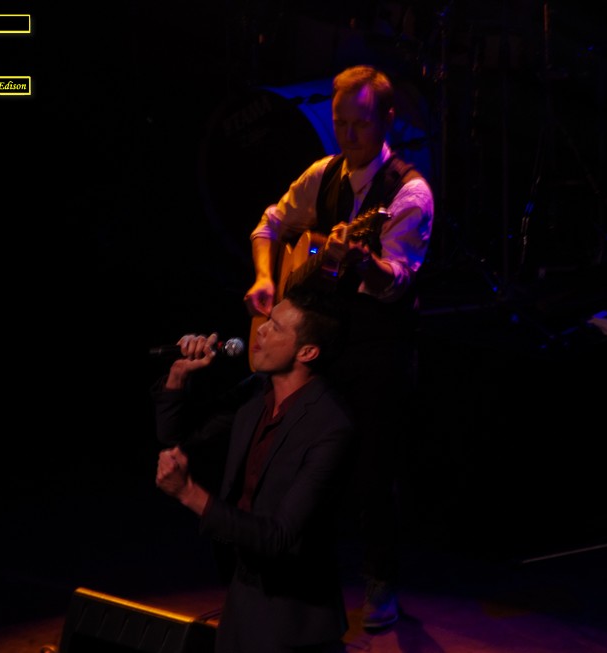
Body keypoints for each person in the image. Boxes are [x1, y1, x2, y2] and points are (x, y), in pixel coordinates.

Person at [243, 63, 435, 630]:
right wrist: (265, 278)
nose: (348, 135)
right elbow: (269, 225)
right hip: (322, 342)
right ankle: (291, 572)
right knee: (299, 455)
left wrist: (362, 262)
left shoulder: (409, 194)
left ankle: (380, 581)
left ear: (387, 119)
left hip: (378, 346)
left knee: (373, 467)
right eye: (340, 122)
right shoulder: (322, 173)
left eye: (361, 123)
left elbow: (396, 282)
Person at [153, 285, 355, 653]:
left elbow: (280, 537)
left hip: (295, 619)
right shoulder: (257, 391)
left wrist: (189, 494)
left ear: (307, 352)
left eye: (275, 327)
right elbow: (176, 436)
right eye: (267, 320)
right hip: (241, 597)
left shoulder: (331, 426)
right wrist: (179, 375)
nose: (260, 331)